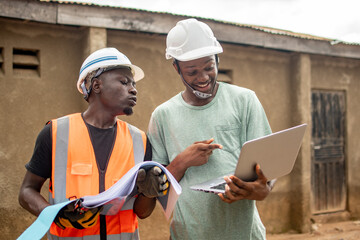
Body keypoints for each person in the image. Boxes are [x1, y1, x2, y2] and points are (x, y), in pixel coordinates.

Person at [19, 47, 168, 240]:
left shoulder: (139, 140)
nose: (133, 89)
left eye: (133, 83)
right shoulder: (55, 133)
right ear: (96, 85)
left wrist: (149, 192)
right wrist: (55, 215)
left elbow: (143, 212)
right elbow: (26, 192)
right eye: (124, 82)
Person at [147, 18, 276, 239]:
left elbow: (269, 170)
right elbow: (156, 189)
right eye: (192, 72)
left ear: (217, 59)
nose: (203, 77)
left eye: (209, 67)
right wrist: (182, 161)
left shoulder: (244, 100)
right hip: (189, 234)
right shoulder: (163, 115)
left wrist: (261, 190)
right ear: (176, 67)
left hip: (244, 233)